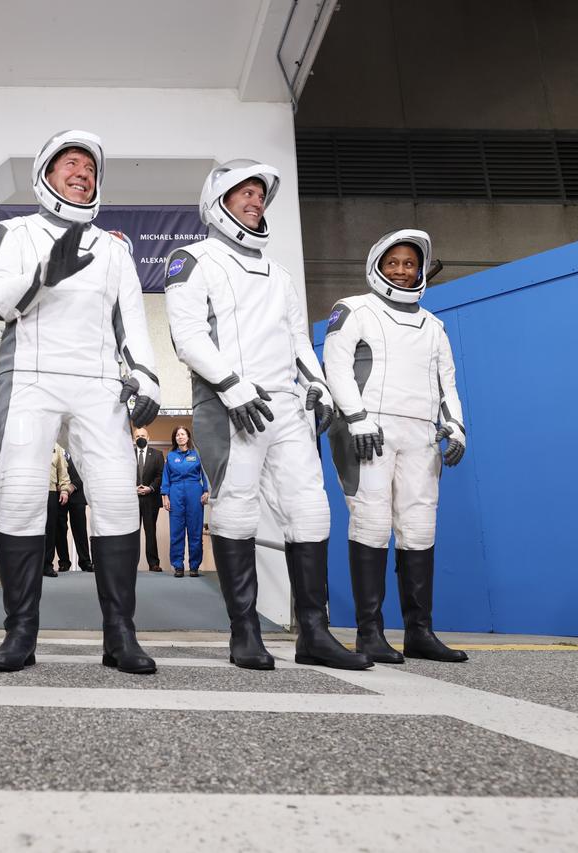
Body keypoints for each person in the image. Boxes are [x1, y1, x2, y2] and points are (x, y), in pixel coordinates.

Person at [165, 159, 371, 672]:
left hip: (286, 407)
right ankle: (245, 633)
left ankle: (314, 632)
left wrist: (319, 385)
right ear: (218, 201)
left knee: (311, 511)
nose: (255, 201)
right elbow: (187, 337)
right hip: (229, 405)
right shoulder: (192, 259)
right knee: (236, 509)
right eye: (245, 192)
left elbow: (298, 340)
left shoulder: (279, 274)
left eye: (260, 194)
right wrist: (231, 386)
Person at [0, 129, 161, 675]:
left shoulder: (114, 248)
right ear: (46, 174)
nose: (82, 173)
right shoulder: (13, 231)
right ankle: (20, 632)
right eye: (71, 164)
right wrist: (43, 275)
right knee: (19, 496)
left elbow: (132, 322)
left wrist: (147, 378)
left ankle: (120, 634)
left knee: (117, 499)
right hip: (29, 377)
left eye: (90, 168)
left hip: (98, 382)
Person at [323, 228, 469, 664]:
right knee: (371, 523)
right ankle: (369, 633)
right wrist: (356, 417)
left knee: (419, 528)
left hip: (422, 436)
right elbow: (336, 366)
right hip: (370, 431)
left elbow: (447, 383)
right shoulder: (354, 309)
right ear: (377, 266)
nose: (402, 271)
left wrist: (455, 427)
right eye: (393, 263)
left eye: (410, 264)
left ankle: (419, 632)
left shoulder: (434, 326)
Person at [161, 425, 209, 578]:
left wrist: (206, 490)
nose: (180, 437)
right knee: (176, 532)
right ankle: (178, 566)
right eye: (177, 435)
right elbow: (165, 477)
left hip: (194, 491)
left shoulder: (197, 455)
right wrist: (165, 496)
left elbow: (205, 474)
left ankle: (194, 566)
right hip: (175, 492)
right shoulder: (170, 456)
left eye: (182, 434)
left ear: (188, 437)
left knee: (195, 531)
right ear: (175, 439)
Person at [55, 449, 93, 572]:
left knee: (80, 529)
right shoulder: (55, 447)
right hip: (59, 494)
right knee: (60, 530)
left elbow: (86, 471)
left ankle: (85, 561)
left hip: (77, 494)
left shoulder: (80, 448)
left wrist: (73, 486)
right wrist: (59, 486)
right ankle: (64, 562)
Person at [134, 426, 164, 572]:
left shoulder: (158, 454)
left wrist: (150, 488)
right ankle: (130, 564)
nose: (140, 438)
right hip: (132, 500)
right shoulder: (127, 454)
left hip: (151, 498)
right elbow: (124, 473)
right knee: (132, 533)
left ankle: (153, 563)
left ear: (148, 438)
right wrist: (133, 488)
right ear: (134, 439)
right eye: (137, 436)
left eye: (143, 436)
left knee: (150, 531)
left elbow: (160, 475)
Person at [43, 444, 71, 578]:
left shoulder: (56, 447)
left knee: (50, 529)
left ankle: (47, 565)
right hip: (33, 490)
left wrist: (65, 490)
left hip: (51, 491)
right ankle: (33, 565)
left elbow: (62, 470)